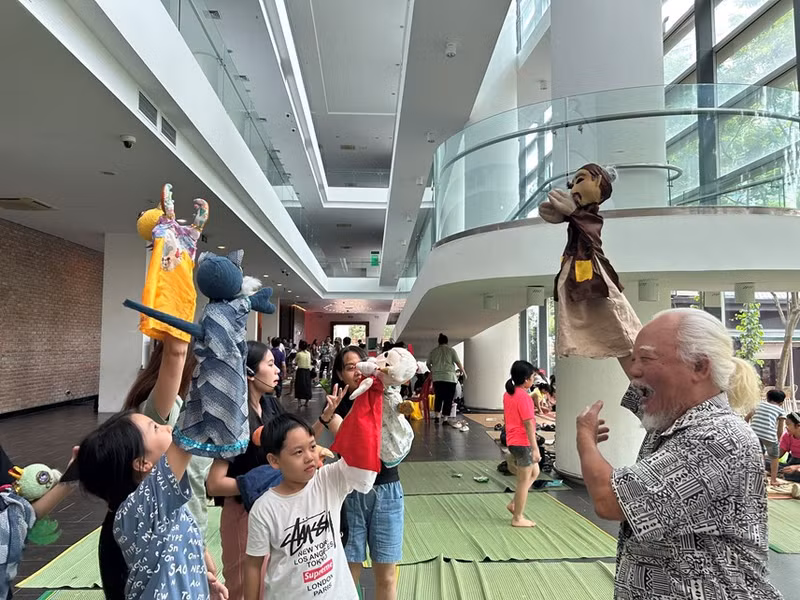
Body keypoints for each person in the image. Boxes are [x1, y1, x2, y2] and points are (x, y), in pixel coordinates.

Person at [576, 308, 782, 600]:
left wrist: (585, 438)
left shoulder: (718, 437)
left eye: (645, 359)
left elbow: (610, 501)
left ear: (699, 367)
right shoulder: (671, 416)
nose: (635, 371)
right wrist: (601, 300)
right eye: (635, 360)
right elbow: (636, 372)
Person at [75, 334, 227, 599]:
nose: (167, 426)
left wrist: (199, 577)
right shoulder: (144, 508)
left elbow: (176, 562)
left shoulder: (166, 509)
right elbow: (175, 355)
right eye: (156, 427)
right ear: (142, 463)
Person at [243, 414, 377, 600]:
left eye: (312, 447)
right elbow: (253, 565)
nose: (309, 457)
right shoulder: (265, 509)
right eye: (298, 452)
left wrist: (333, 419)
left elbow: (361, 455)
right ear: (274, 461)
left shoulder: (328, 480)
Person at [322, 346, 405, 600]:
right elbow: (350, 441)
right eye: (349, 367)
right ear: (339, 374)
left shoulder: (385, 396)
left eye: (361, 364)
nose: (357, 370)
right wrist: (328, 415)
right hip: (351, 494)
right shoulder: (338, 408)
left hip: (388, 491)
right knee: (349, 571)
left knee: (387, 575)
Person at [207, 341, 282, 600]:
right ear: (249, 373)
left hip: (272, 510)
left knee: (270, 586)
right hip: (242, 514)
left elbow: (294, 445)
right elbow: (214, 483)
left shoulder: (271, 406)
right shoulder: (233, 420)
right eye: (270, 364)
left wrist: (324, 420)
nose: (278, 370)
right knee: (244, 589)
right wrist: (256, 482)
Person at [503, 360, 540, 528]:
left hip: (513, 441)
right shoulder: (524, 397)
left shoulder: (508, 394)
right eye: (533, 377)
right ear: (526, 379)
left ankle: (514, 504)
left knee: (535, 472)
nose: (534, 379)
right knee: (523, 482)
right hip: (522, 443)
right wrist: (535, 448)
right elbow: (528, 424)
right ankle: (517, 517)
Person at [426, 333, 468, 429]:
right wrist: (463, 372)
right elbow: (458, 362)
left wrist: (433, 370)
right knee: (448, 399)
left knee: (438, 397)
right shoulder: (451, 351)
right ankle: (445, 419)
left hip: (437, 378)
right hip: (449, 378)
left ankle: (437, 417)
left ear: (439, 342)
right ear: (447, 341)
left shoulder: (433, 352)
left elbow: (428, 364)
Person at [747, 389, 786, 486]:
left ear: (767, 398)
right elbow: (780, 428)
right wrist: (777, 439)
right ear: (781, 402)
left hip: (754, 434)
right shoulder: (780, 410)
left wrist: (747, 431)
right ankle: (773, 480)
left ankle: (761, 478)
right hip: (769, 436)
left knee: (760, 455)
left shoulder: (758, 404)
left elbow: (747, 418)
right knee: (774, 457)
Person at [779, 412, 800, 483]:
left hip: (797, 467)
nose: (786, 427)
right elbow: (778, 454)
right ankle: (785, 474)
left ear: (798, 425)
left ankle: (786, 475)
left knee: (797, 472)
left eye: (788, 425)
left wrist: (796, 467)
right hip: (791, 462)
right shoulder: (787, 436)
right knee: (766, 463)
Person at [294, 341, 313, 408]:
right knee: (307, 386)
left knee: (299, 386)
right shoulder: (308, 353)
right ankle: (307, 402)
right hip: (307, 371)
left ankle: (299, 402)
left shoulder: (299, 354)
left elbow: (295, 362)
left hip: (300, 371)